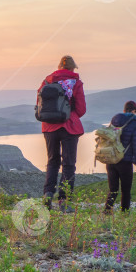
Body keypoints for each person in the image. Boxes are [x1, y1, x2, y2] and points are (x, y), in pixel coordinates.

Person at [38, 55, 86, 213]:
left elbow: (40, 103)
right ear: (73, 68)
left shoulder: (47, 81)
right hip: (69, 127)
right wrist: (68, 114)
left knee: (52, 161)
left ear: (59, 67)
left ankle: (47, 195)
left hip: (49, 126)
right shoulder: (76, 83)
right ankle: (64, 201)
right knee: (69, 164)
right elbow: (81, 109)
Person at [104, 100, 136, 213]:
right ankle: (124, 214)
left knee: (113, 189)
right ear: (134, 111)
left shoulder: (115, 120)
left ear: (124, 110)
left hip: (110, 159)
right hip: (125, 161)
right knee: (126, 190)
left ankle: (106, 211)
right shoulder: (135, 124)